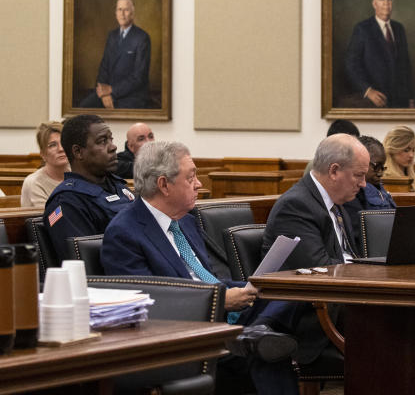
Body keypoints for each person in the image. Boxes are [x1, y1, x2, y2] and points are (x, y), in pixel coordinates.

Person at [102, 141, 300, 395]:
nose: (199, 184)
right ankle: (254, 337)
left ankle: (254, 333)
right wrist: (219, 301)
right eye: (191, 177)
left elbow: (207, 278)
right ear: (163, 184)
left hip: (220, 317)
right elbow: (147, 304)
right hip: (186, 335)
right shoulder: (124, 232)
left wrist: (252, 288)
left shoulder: (186, 221)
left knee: (287, 292)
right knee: (269, 354)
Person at [261, 133, 368, 366]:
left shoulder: (335, 204)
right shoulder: (297, 206)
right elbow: (320, 271)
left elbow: (347, 259)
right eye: (359, 175)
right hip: (314, 318)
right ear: (334, 171)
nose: (363, 184)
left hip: (343, 304)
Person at [43, 114, 133, 261]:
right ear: (78, 152)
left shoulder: (118, 187)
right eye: (102, 141)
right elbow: (87, 263)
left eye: (111, 139)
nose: (113, 147)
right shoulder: (67, 202)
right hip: (118, 280)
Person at [344, 0, 413, 108]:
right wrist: (367, 90)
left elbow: (405, 66)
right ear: (374, 3)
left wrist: (410, 98)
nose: (386, 3)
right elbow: (351, 64)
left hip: (400, 101)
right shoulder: (362, 29)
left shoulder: (399, 28)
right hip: (376, 100)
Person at [79, 0, 152, 109]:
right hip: (107, 93)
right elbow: (104, 67)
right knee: (82, 108)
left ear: (132, 14)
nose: (122, 14)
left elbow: (138, 77)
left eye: (126, 10)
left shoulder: (142, 38)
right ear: (115, 13)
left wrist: (112, 91)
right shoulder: (112, 36)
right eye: (119, 9)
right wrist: (103, 92)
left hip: (131, 96)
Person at [343, 135, 396, 237]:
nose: (380, 173)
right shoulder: (352, 192)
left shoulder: (380, 189)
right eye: (376, 167)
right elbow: (358, 232)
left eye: (382, 167)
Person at [20, 121, 68, 208]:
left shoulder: (77, 174)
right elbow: (50, 218)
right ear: (43, 154)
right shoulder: (34, 182)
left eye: (63, 142)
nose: (61, 149)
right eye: (52, 145)